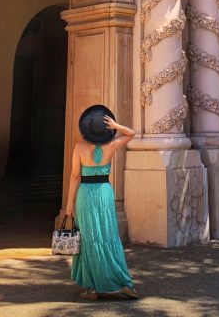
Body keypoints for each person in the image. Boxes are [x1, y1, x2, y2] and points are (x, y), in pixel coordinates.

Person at [66, 104, 138, 300]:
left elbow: (74, 177)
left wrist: (69, 205)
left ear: (86, 129)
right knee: (109, 237)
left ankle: (91, 289)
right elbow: (131, 133)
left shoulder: (79, 147)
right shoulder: (112, 144)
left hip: (86, 195)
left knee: (88, 240)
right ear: (105, 130)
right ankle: (124, 282)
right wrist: (116, 125)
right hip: (104, 193)